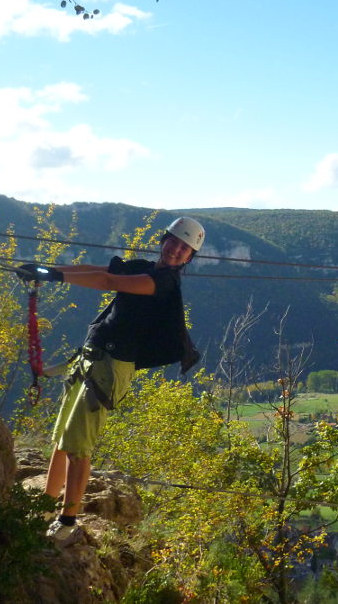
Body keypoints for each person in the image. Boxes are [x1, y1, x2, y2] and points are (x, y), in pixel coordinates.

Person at [17, 216, 206, 546]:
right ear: (163, 241)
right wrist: (47, 270)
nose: (176, 250)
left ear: (189, 258)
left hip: (109, 367)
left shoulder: (164, 284)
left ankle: (66, 522)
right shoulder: (145, 268)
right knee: (63, 440)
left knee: (78, 446)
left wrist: (53, 275)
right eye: (174, 242)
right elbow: (101, 269)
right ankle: (43, 508)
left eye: (184, 248)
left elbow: (107, 281)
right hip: (93, 358)